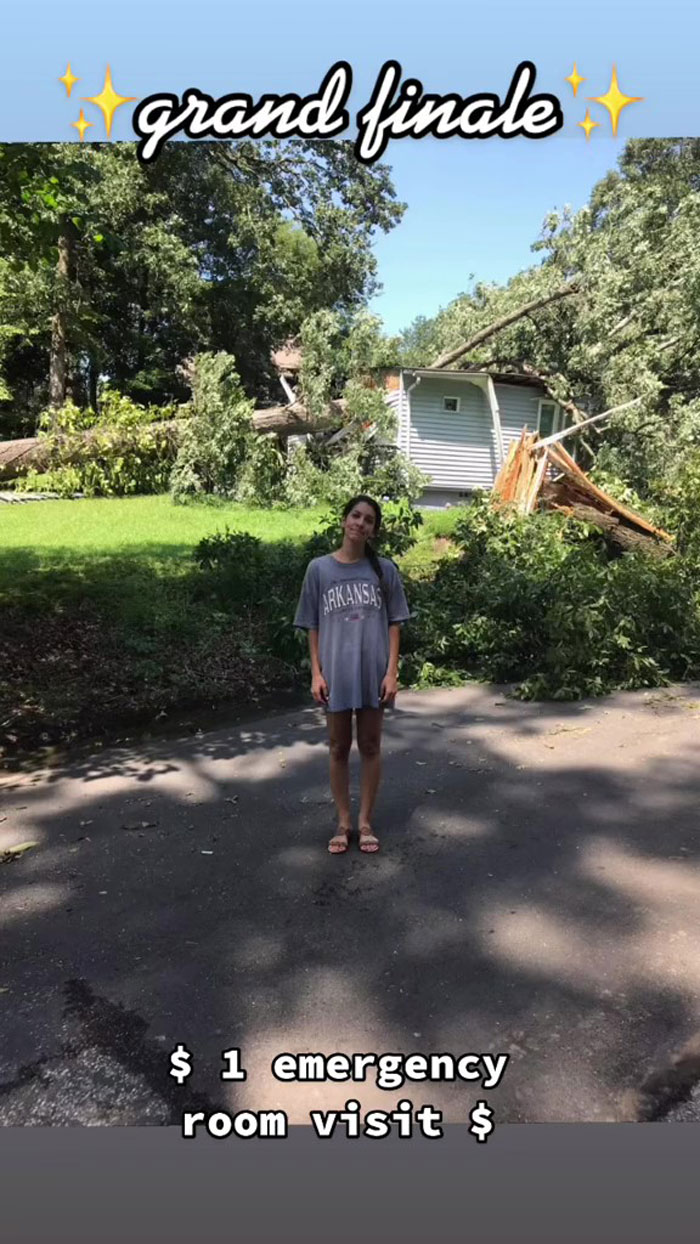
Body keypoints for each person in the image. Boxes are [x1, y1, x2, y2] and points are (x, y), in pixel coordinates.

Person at [293, 495, 411, 854]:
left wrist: (391, 672)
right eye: (355, 516)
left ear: (374, 530)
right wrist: (316, 673)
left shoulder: (384, 570)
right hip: (336, 673)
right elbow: (312, 625)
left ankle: (365, 822)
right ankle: (343, 822)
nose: (360, 523)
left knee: (371, 745)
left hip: (373, 671)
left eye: (368, 520)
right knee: (338, 747)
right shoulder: (319, 569)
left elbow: (395, 623)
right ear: (344, 520)